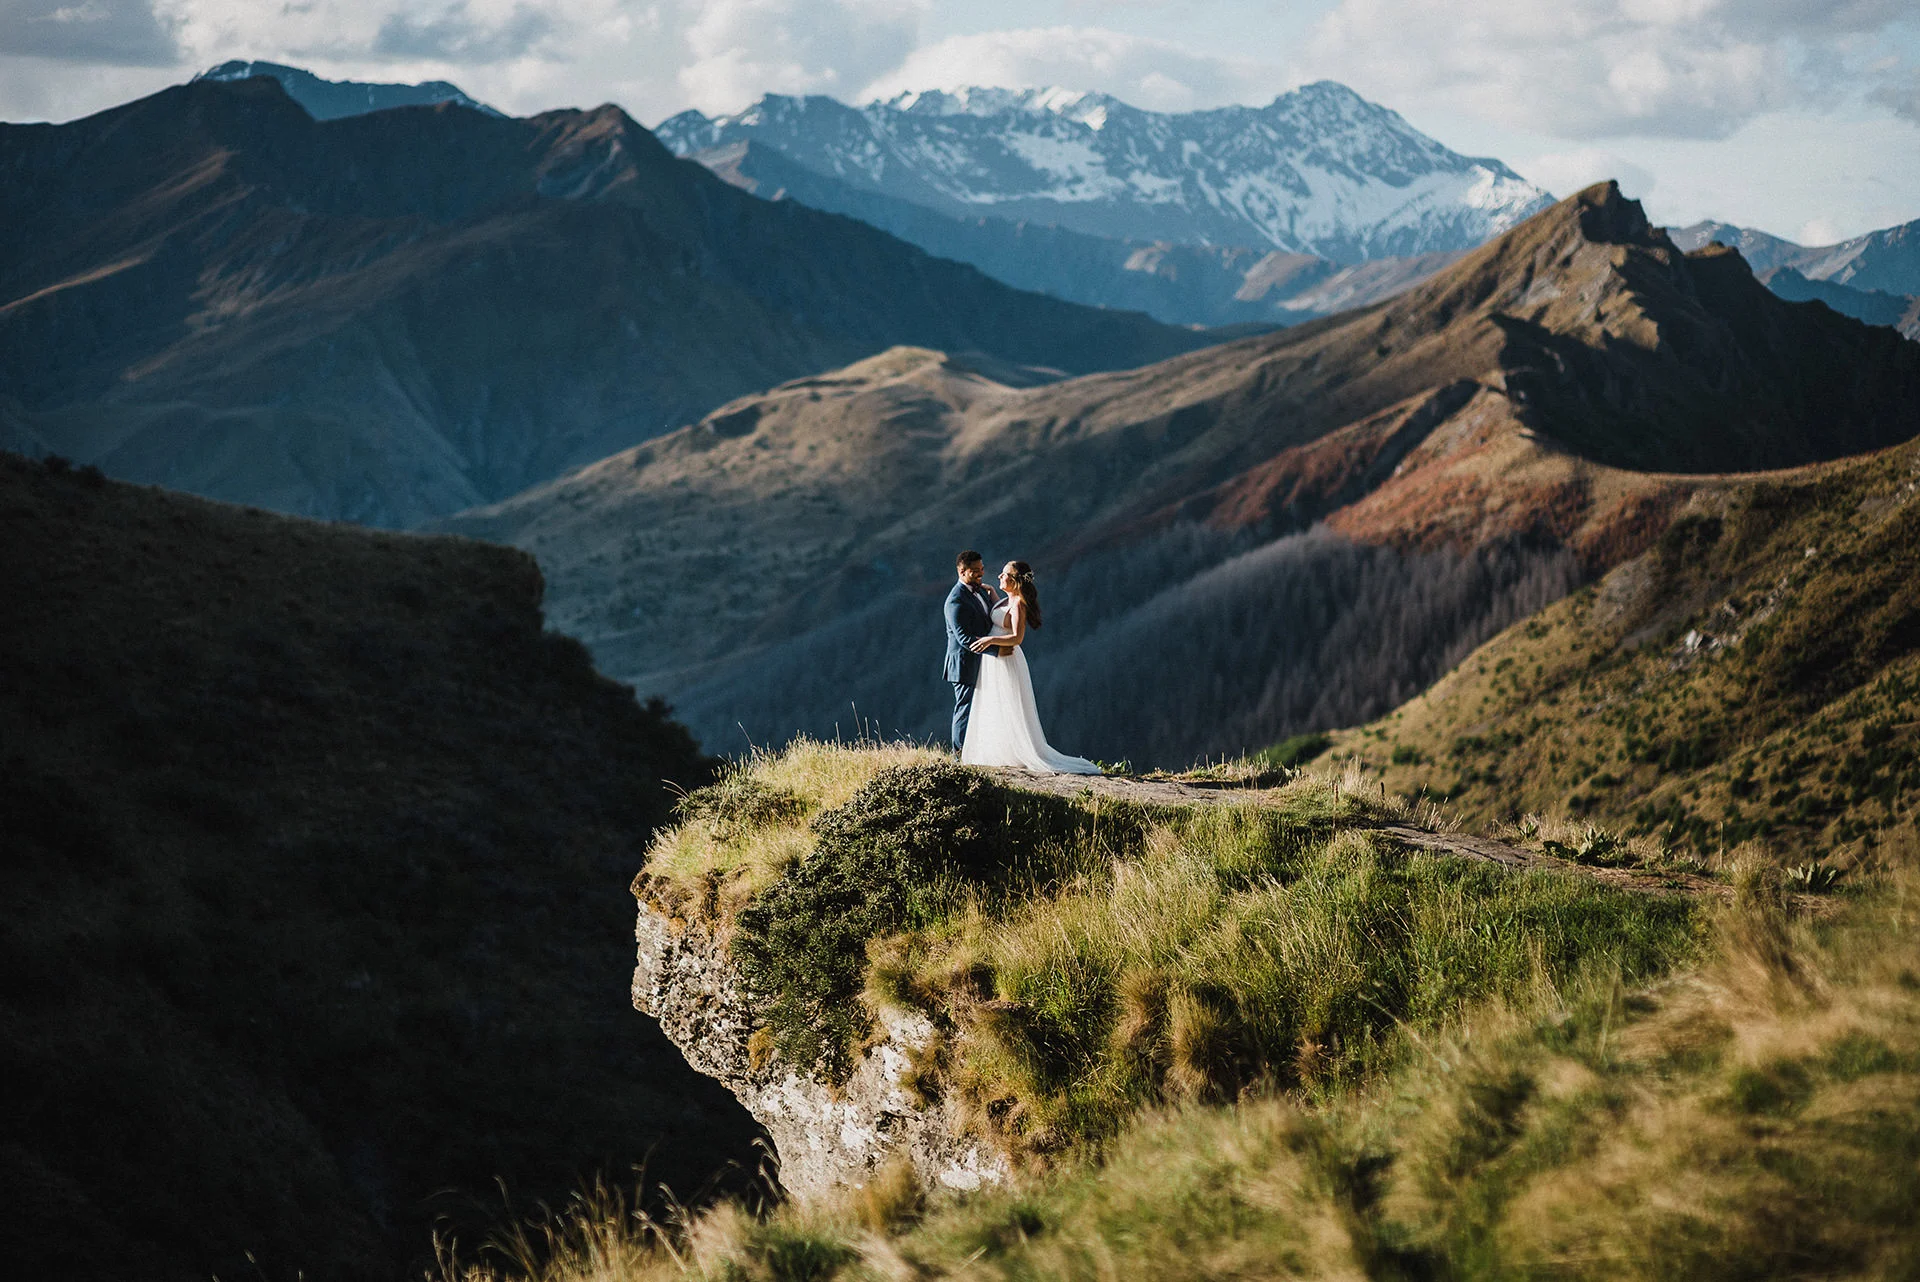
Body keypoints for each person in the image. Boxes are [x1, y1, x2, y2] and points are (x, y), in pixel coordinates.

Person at [958, 560, 1101, 775]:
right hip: (994, 660)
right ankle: (1000, 749)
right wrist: (991, 594)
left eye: (1004, 574)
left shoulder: (1019, 604)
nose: (999, 577)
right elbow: (1000, 618)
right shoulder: (1007, 600)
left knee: (1008, 701)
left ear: (1014, 581)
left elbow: (1016, 637)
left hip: (1006, 659)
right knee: (995, 701)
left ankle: (1016, 750)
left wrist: (989, 642)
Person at [943, 550, 996, 751]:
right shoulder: (955, 600)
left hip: (982, 661)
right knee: (966, 709)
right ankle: (960, 756)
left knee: (981, 708)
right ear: (962, 571)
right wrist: (999, 648)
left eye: (981, 569)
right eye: (975, 571)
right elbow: (964, 638)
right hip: (964, 664)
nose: (980, 573)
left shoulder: (981, 591)